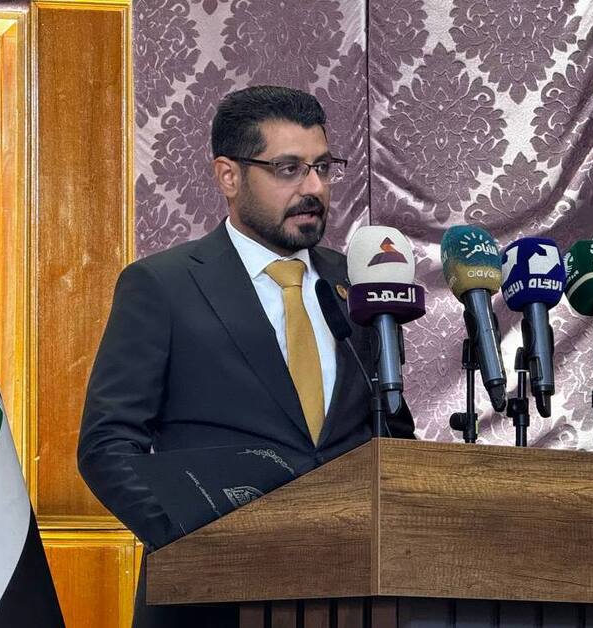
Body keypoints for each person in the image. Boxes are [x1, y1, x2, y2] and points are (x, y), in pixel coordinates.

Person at [78, 85, 415, 628]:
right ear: (228, 176)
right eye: (289, 169)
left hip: (352, 597)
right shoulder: (163, 286)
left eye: (323, 168)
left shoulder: (359, 286)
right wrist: (200, 542)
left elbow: (392, 435)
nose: (314, 188)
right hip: (209, 600)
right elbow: (107, 445)